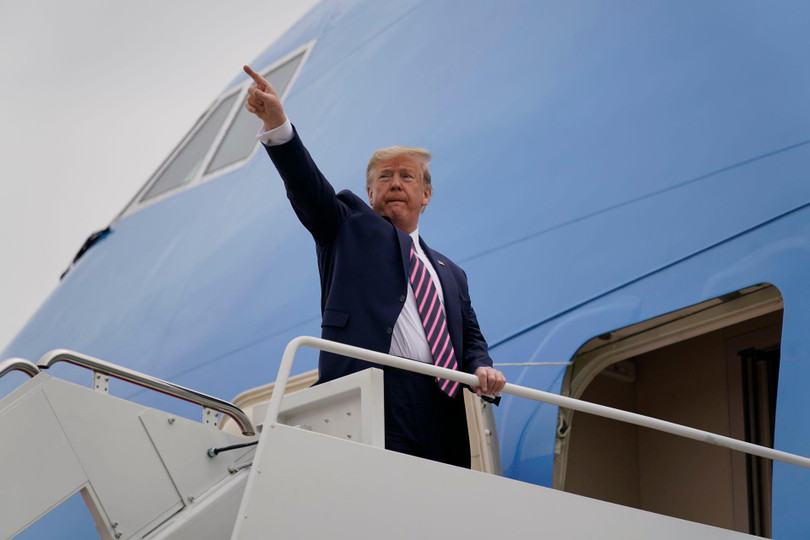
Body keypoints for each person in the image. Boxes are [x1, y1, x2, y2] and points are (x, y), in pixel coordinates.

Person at [243, 65, 506, 468]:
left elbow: (469, 337)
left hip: (443, 404)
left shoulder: (450, 272)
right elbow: (307, 185)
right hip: (374, 388)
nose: (396, 183)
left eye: (407, 176)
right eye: (385, 177)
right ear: (370, 191)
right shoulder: (347, 225)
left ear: (426, 194)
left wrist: (482, 367)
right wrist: (278, 125)